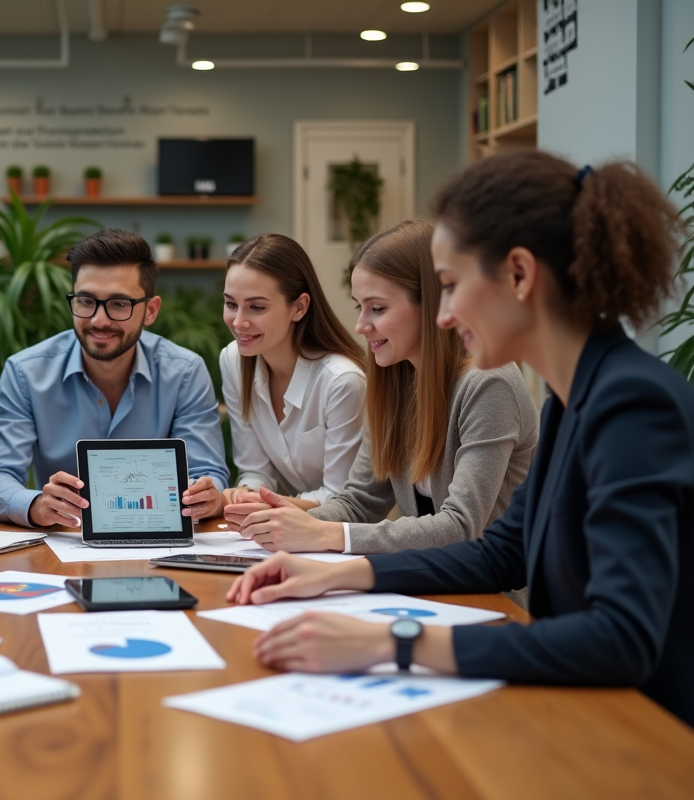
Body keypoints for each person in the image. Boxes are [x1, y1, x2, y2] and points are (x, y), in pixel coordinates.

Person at [227, 151, 694, 727]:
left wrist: (394, 644)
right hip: (582, 708)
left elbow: (621, 637)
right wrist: (335, 571)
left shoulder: (631, 403)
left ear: (519, 275)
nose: (444, 316)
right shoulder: (576, 395)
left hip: (649, 738)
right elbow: (503, 551)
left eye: (450, 287)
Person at [226, 219, 538, 556]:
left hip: (491, 598)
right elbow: (359, 502)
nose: (360, 326)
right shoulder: (395, 381)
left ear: (433, 304)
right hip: (425, 585)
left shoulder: (489, 382)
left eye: (377, 308)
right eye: (360, 307)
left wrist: (323, 534)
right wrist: (282, 520)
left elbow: (462, 526)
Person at [0, 228, 230, 528]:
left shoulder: (185, 372)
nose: (99, 320)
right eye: (86, 301)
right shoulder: (25, 373)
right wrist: (37, 505)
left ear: (150, 311)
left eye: (119, 304)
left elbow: (208, 474)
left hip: (159, 544)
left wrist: (207, 495)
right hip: (63, 546)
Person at [219, 233, 367, 512]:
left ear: (299, 307)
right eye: (230, 304)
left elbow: (341, 498)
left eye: (256, 307)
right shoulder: (233, 360)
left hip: (346, 533)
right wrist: (247, 494)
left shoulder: (342, 381)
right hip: (279, 528)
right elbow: (254, 470)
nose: (238, 321)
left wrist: (268, 504)